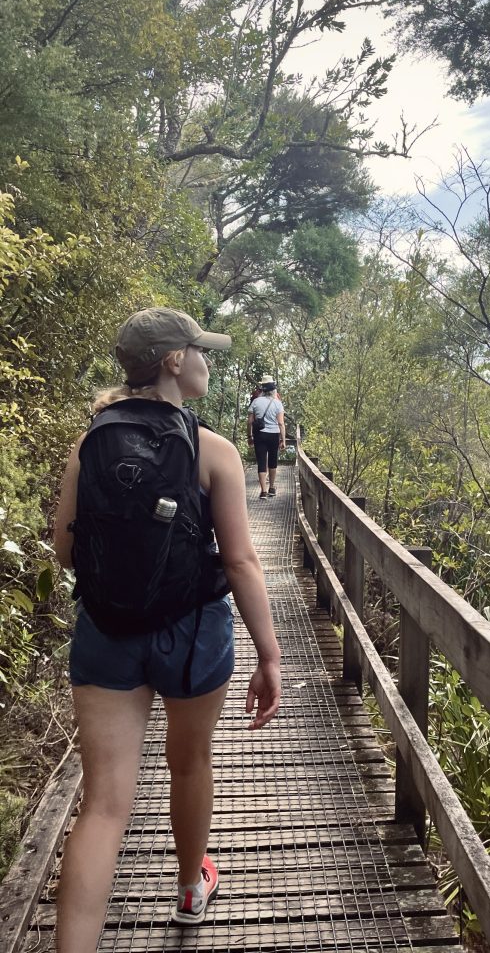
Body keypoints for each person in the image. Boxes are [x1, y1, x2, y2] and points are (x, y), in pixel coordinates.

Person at [53, 308, 281, 952]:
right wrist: (270, 654)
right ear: (173, 361)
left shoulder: (90, 440)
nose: (207, 360)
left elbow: (65, 551)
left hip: (106, 632)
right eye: (198, 350)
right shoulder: (214, 449)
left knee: (103, 806)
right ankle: (188, 888)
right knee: (190, 762)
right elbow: (240, 560)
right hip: (191, 633)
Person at [247, 375, 286, 499]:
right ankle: (272, 487)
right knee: (273, 462)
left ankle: (263, 491)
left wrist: (250, 436)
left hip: (260, 435)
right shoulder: (277, 403)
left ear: (262, 389)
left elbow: (249, 422)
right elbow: (281, 423)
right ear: (273, 389)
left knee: (261, 462)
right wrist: (283, 440)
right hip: (274, 435)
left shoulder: (255, 402)